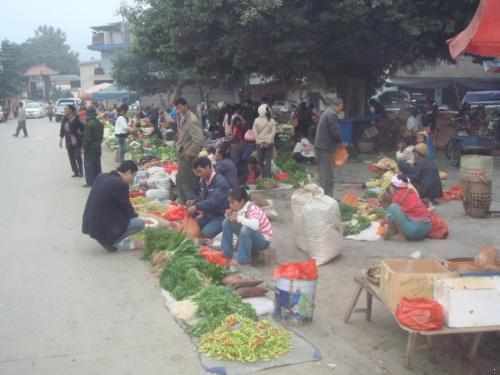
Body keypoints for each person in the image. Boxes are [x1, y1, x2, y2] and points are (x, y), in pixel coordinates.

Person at [82, 160, 145, 252]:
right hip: (103, 227)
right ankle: (114, 241)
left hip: (90, 225)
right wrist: (145, 216)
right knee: (139, 223)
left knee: (121, 217)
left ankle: (106, 238)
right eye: (133, 175)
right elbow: (129, 212)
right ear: (128, 172)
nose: (132, 179)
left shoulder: (101, 176)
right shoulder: (121, 184)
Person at [222, 188, 272, 265]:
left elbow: (254, 226)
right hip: (251, 236)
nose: (230, 205)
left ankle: (243, 260)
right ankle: (227, 253)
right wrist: (229, 216)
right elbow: (236, 221)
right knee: (226, 222)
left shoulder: (252, 208)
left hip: (262, 241)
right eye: (229, 203)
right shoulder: (239, 208)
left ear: (241, 201)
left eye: (232, 203)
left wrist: (238, 218)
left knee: (246, 229)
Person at [188, 157, 230, 238]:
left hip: (221, 216)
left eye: (199, 171)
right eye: (196, 173)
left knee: (204, 234)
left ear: (207, 167)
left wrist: (196, 206)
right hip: (208, 215)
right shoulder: (203, 180)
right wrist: (194, 201)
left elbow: (213, 202)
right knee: (192, 225)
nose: (198, 175)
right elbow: (203, 197)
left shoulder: (220, 182)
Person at [381, 175, 432, 241]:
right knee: (395, 212)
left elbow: (391, 218)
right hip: (427, 228)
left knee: (392, 207)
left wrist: (386, 233)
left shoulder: (398, 196)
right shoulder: (411, 191)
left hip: (414, 231)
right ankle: (402, 233)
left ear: (393, 187)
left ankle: (402, 236)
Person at [175, 97, 204, 202]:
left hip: (188, 157)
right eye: (176, 107)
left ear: (185, 106)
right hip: (183, 154)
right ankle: (184, 203)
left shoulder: (192, 119)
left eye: (179, 107)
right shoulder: (183, 117)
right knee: (181, 180)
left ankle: (191, 204)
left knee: (188, 182)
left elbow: (199, 140)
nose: (178, 109)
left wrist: (189, 154)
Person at [314, 95, 343, 197]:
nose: (342, 109)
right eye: (341, 106)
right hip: (325, 147)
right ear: (338, 105)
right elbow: (335, 132)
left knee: (323, 173)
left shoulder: (327, 112)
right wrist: (341, 142)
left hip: (321, 146)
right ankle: (327, 197)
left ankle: (323, 195)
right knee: (327, 174)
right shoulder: (332, 114)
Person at [59, 105, 84, 177]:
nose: (65, 110)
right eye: (64, 109)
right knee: (71, 157)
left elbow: (83, 128)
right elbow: (62, 130)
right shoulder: (64, 119)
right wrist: (61, 139)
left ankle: (81, 172)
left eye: (66, 109)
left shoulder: (77, 119)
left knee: (77, 156)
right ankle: (75, 172)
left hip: (77, 141)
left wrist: (81, 133)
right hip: (68, 141)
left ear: (71, 110)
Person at [253, 103, 276, 178]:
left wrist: (260, 142)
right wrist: (268, 142)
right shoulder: (272, 120)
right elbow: (273, 133)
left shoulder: (256, 120)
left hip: (259, 144)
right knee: (268, 160)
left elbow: (255, 133)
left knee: (260, 160)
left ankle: (262, 175)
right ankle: (268, 177)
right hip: (269, 144)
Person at [82, 106, 104, 187]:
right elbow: (101, 136)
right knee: (97, 164)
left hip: (90, 148)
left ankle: (90, 182)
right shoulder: (99, 123)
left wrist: (84, 147)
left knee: (89, 165)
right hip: (97, 146)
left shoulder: (89, 124)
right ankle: (99, 180)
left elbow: (87, 139)